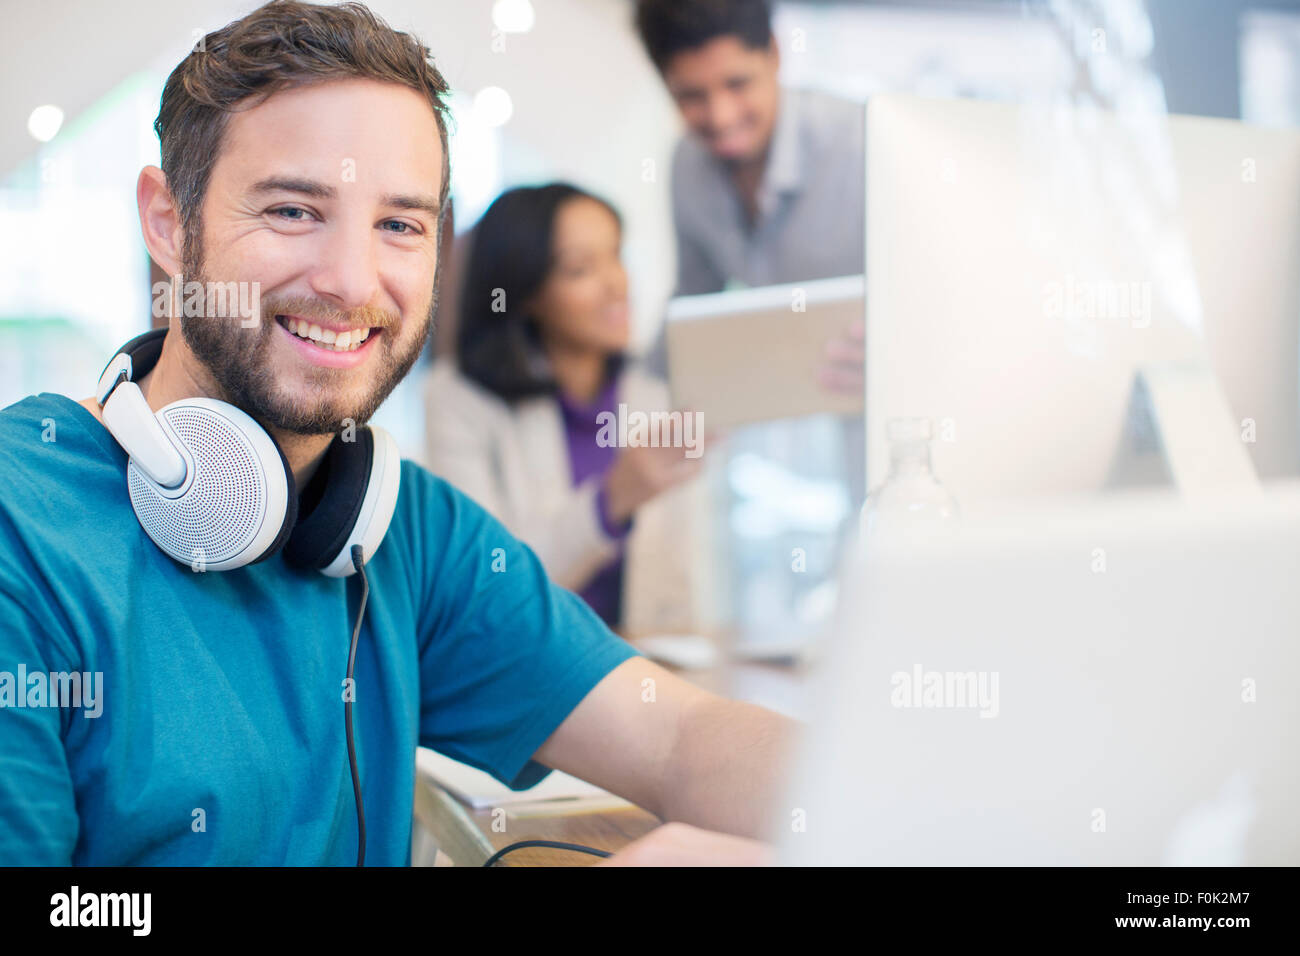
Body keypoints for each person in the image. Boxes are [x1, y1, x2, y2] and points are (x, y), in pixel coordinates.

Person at [0, 0, 789, 866]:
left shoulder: (405, 533)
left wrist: (886, 808)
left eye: (400, 225)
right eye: (293, 210)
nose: (351, 281)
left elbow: (678, 738)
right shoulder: (22, 533)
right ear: (168, 223)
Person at [423, 183, 713, 637]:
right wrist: (612, 499)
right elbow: (492, 587)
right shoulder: (458, 399)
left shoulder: (655, 391)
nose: (617, 283)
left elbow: (683, 578)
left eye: (617, 255)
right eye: (581, 269)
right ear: (525, 291)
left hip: (648, 665)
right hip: (527, 667)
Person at [634, 0, 866, 393]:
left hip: (883, 405)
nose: (721, 117)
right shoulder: (687, 166)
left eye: (737, 83)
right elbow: (692, 304)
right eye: (691, 95)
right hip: (786, 412)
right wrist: (628, 399)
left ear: (774, 52)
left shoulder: (859, 144)